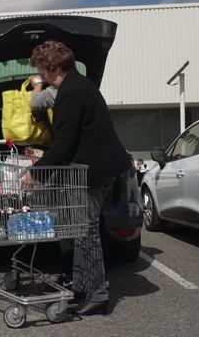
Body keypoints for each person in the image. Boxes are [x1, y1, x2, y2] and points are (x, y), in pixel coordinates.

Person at [21, 40, 132, 316]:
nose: (41, 76)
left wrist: (36, 171)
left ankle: (97, 295)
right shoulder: (79, 85)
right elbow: (69, 140)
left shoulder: (71, 92)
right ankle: (82, 285)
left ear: (54, 67)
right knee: (84, 229)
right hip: (97, 167)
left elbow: (64, 143)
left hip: (92, 170)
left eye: (42, 70)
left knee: (85, 232)